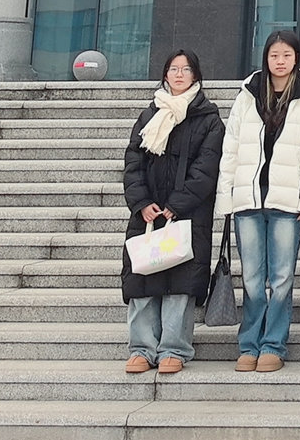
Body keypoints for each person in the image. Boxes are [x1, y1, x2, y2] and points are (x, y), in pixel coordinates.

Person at [217, 30, 300, 373]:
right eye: (274, 55)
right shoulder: (248, 95)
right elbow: (231, 149)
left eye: (287, 55)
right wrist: (226, 197)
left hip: (287, 201)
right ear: (265, 58)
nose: (280, 61)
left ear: (297, 58)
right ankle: (249, 343)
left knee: (281, 279)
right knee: (252, 278)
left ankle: (273, 344)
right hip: (248, 200)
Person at [122, 50, 224, 375]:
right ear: (165, 74)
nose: (179, 75)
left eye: (186, 69)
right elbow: (133, 162)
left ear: (196, 76)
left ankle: (174, 349)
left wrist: (177, 204)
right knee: (143, 279)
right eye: (173, 69)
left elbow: (206, 168)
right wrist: (141, 203)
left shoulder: (209, 119)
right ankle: (141, 348)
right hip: (148, 215)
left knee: (181, 283)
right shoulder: (149, 116)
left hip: (186, 214)